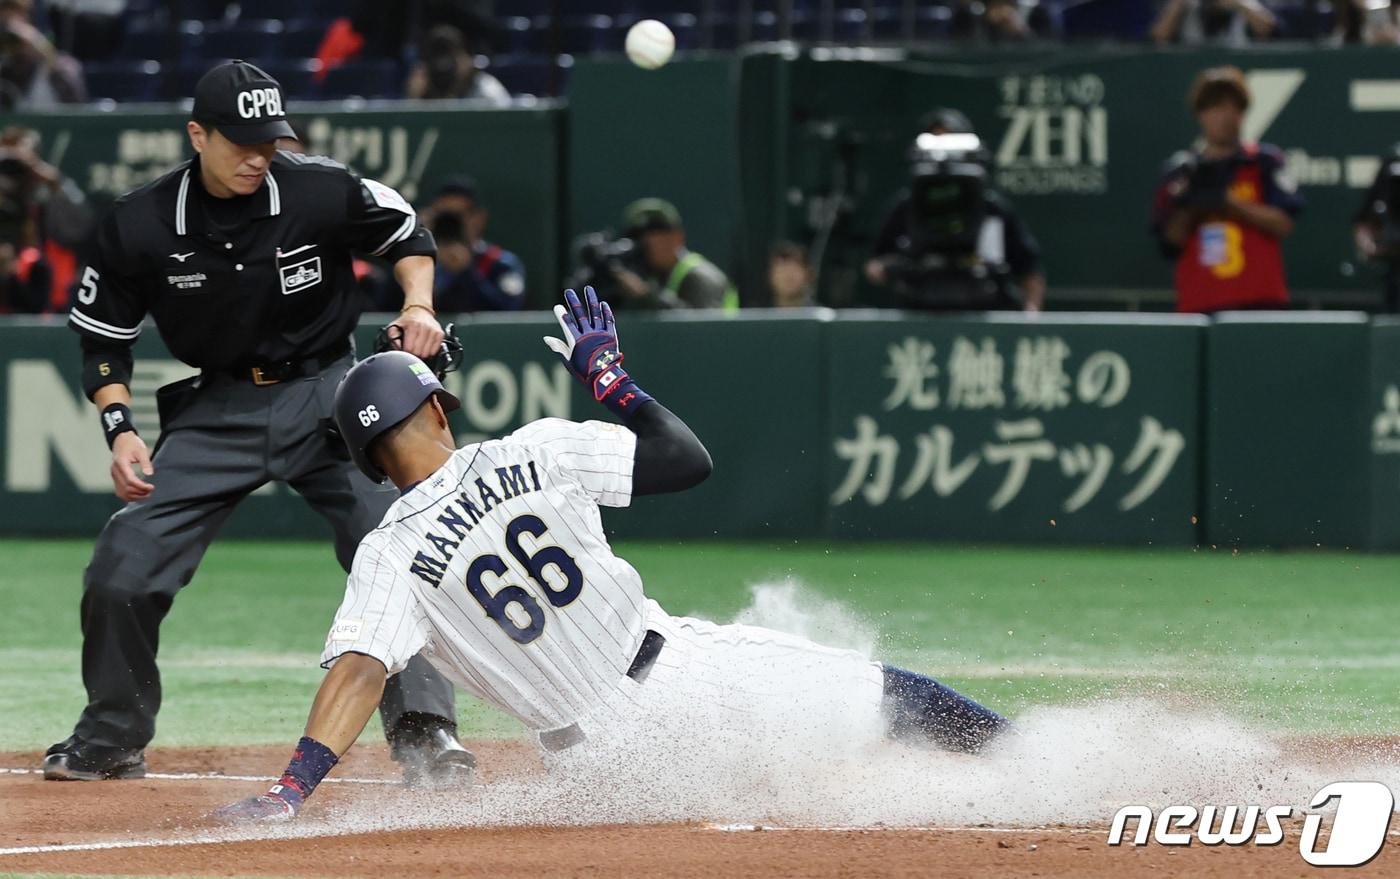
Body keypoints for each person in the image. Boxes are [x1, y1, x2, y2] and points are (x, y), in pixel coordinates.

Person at [212, 286, 1009, 822]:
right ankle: (1037, 759)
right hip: (681, 680)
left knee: (760, 808)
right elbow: (687, 460)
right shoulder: (537, 450)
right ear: (435, 407)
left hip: (595, 771)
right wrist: (611, 378)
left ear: (368, 459)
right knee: (887, 695)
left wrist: (291, 790)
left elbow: (357, 671)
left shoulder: (388, 552)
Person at [44, 61, 474, 786]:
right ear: (196, 135)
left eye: (268, 139)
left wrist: (418, 307)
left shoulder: (318, 187)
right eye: (239, 141)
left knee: (406, 542)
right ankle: (113, 733)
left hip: (332, 393)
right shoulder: (141, 222)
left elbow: (408, 235)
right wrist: (119, 428)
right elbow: (103, 338)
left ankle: (425, 732)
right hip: (219, 409)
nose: (257, 155)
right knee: (123, 564)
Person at [1151, 66, 1301, 314]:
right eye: (1216, 107)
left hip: (1259, 302)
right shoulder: (1180, 171)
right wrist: (1191, 205)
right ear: (1201, 114)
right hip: (1200, 304)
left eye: (1234, 107)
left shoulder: (1263, 161)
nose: (1225, 116)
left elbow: (1284, 223)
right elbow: (1169, 242)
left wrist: (1229, 203)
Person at [865, 126, 1045, 312]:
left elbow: (1029, 269)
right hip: (917, 306)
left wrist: (1030, 318)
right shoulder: (907, 207)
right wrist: (895, 266)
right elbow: (875, 267)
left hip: (986, 306)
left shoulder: (993, 209)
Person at [406, 176, 526, 313]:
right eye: (444, 216)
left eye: (458, 216)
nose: (450, 223)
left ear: (479, 218)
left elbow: (508, 312)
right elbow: (389, 309)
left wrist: (465, 271)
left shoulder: (499, 264)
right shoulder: (416, 261)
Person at [612, 198, 738, 310]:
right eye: (638, 239)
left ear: (677, 238)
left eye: (655, 237)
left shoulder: (701, 276)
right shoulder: (657, 276)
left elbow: (705, 328)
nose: (646, 246)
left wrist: (646, 295)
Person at [405, 24, 510, 106]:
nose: (444, 66)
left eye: (452, 57)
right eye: (438, 57)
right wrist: (414, 100)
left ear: (468, 58)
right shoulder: (423, 87)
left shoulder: (486, 91)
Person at [1150, 0, 1275, 46]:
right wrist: (1178, 5)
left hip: (1239, 73)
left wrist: (1241, 4)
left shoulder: (1247, 4)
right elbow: (1159, 37)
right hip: (1192, 74)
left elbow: (1268, 29)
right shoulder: (1188, 6)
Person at [767, 241, 816, 307]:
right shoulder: (757, 315)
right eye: (782, 269)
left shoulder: (822, 315)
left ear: (809, 274)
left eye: (794, 269)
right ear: (771, 276)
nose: (788, 275)